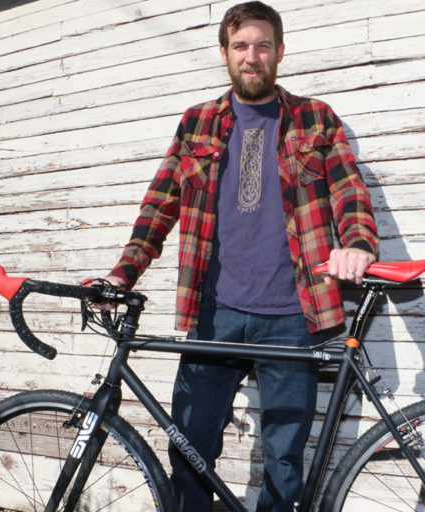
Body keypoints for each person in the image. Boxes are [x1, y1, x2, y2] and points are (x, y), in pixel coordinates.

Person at [103, 2, 378, 510]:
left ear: (279, 51)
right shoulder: (196, 123)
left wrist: (358, 244)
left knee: (284, 460)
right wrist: (123, 273)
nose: (253, 56)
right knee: (190, 448)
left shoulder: (315, 118)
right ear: (226, 53)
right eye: (241, 46)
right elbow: (159, 203)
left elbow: (349, 190)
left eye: (263, 45)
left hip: (295, 314)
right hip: (214, 312)